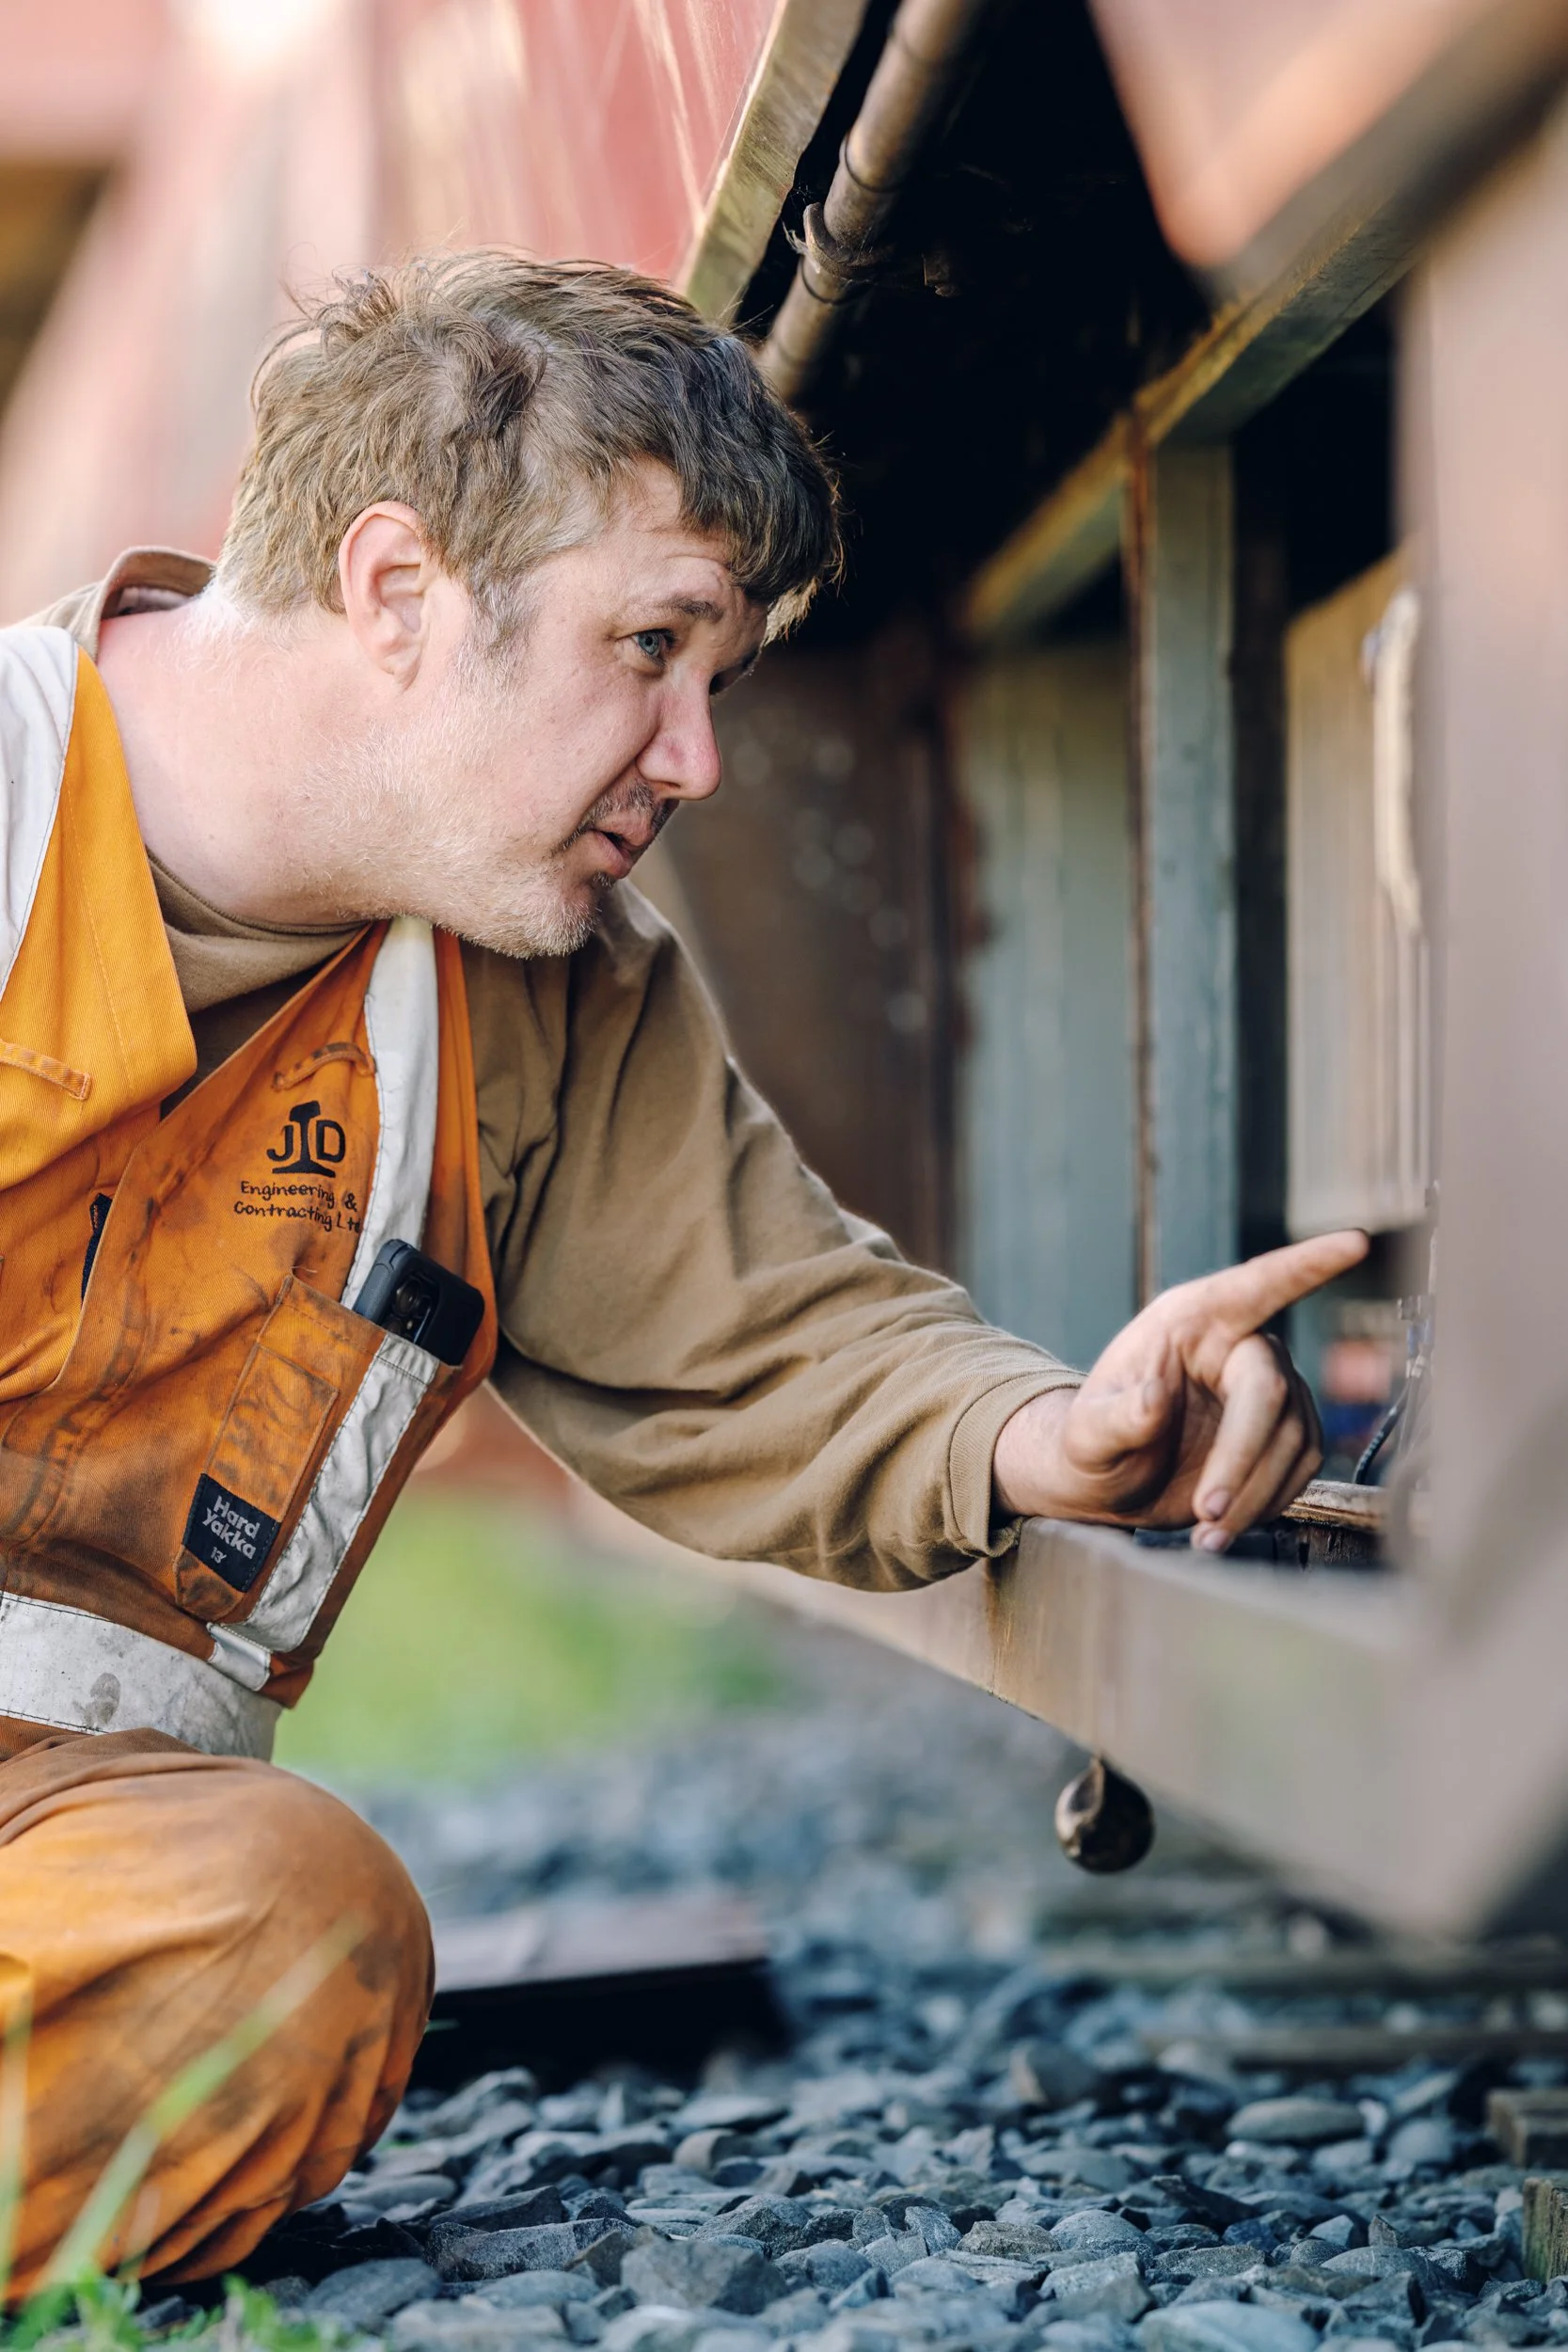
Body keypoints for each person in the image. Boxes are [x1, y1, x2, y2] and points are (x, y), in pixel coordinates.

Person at [0, 251, 1365, 2292]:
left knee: (298, 1934)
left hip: (62, 1852)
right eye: (649, 646)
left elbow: (763, 1329)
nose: (695, 758)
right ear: (396, 593)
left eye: (714, 676)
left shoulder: (537, 1006)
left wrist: (1043, 1422)